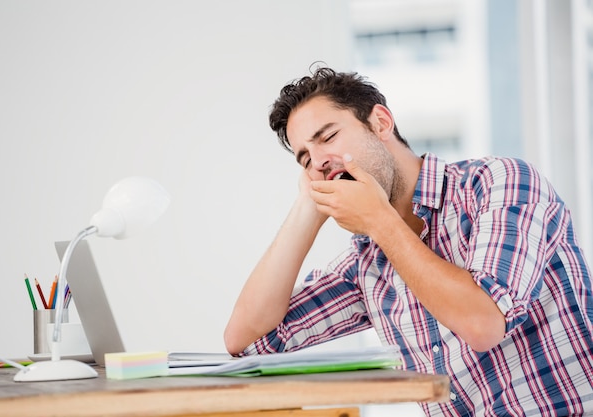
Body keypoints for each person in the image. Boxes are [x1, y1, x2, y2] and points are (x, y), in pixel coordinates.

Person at [223, 66, 593, 416]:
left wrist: (380, 221)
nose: (318, 161)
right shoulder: (367, 264)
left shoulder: (499, 183)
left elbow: (484, 323)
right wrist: (308, 207)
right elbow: (248, 340)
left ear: (381, 123)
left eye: (329, 137)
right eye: (304, 158)